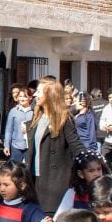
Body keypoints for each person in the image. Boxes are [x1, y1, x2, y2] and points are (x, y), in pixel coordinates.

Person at [26, 79, 86, 215]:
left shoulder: (64, 118)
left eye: (39, 92)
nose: (35, 95)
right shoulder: (36, 117)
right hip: (35, 180)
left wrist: (91, 166)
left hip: (54, 182)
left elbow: (76, 146)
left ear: (50, 94)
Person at [54, 150, 110, 219]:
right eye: (91, 171)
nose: (97, 174)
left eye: (99, 169)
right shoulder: (73, 193)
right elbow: (59, 217)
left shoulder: (108, 191)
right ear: (81, 174)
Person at [3, 87, 33, 163]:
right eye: (20, 96)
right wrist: (6, 145)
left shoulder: (34, 111)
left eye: (25, 96)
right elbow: (8, 130)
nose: (22, 99)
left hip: (30, 146)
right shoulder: (13, 111)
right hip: (16, 145)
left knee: (28, 170)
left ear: (30, 98)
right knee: (15, 169)